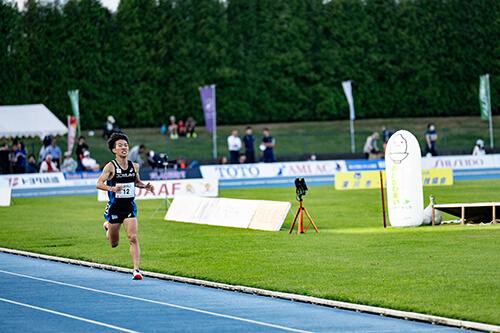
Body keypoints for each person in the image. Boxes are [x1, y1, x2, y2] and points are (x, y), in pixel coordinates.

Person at [96, 132, 155, 280]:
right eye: (120, 145)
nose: (124, 148)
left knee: (133, 238)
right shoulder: (110, 167)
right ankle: (107, 227)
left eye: (126, 145)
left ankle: (136, 270)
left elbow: (136, 182)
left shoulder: (134, 166)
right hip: (115, 208)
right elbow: (99, 184)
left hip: (129, 207)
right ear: (114, 150)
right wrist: (112, 189)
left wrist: (145, 186)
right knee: (114, 244)